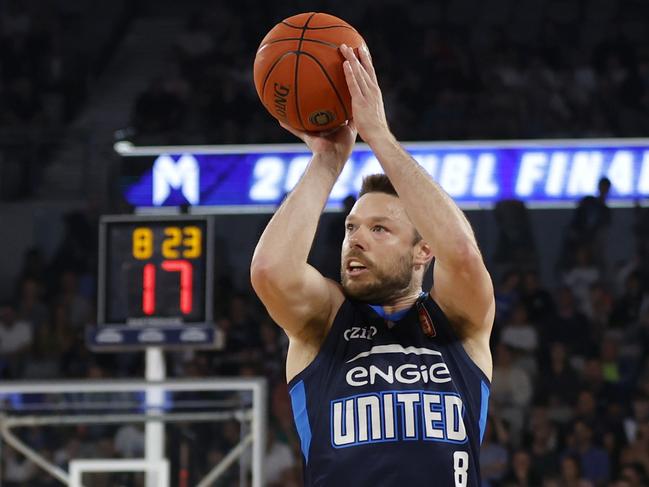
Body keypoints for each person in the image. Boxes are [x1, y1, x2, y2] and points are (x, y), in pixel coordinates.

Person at [251, 43, 494, 486]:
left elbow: (461, 252)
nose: (357, 239)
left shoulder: (458, 321)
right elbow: (271, 272)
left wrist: (378, 136)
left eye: (380, 229)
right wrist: (326, 162)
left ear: (424, 251)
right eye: (351, 228)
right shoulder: (325, 321)